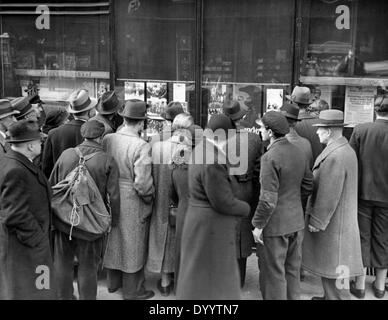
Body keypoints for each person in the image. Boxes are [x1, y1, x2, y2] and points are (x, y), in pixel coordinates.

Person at [176, 114, 250, 300]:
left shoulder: (201, 150)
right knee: (213, 278)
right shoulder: (213, 160)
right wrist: (245, 208)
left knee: (198, 272)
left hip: (199, 219)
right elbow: (222, 201)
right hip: (211, 226)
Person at [49, 120, 120, 300]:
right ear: (100, 137)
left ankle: (63, 297)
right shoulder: (107, 160)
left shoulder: (66, 155)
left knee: (62, 264)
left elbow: (53, 185)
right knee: (88, 266)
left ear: (83, 135)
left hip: (63, 220)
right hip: (91, 224)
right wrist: (114, 221)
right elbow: (113, 196)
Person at [302, 110, 363, 300]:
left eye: (320, 129)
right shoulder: (345, 150)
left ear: (329, 131)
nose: (317, 132)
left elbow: (328, 194)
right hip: (340, 225)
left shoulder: (336, 156)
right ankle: (329, 297)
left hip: (334, 226)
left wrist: (317, 221)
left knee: (337, 270)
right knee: (333, 267)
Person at [252, 111, 313, 300]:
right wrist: (292, 200)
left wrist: (258, 225)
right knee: (292, 271)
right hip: (296, 220)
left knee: (274, 274)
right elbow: (308, 185)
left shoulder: (269, 158)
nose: (260, 130)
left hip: (275, 225)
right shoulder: (298, 151)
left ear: (270, 132)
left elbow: (268, 200)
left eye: (262, 127)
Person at [102, 100, 155, 300]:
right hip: (132, 197)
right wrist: (149, 198)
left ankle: (113, 283)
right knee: (133, 241)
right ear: (141, 123)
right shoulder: (141, 145)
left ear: (124, 119)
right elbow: (142, 183)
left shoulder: (109, 139)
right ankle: (134, 290)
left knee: (113, 238)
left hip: (111, 193)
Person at [0, 120, 56, 300]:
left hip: (26, 243)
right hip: (27, 246)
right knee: (38, 289)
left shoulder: (11, 161)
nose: (41, 144)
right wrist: (38, 240)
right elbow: (15, 214)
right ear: (31, 146)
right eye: (39, 142)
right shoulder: (16, 170)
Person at [147, 112, 194, 296]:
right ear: (188, 129)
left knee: (163, 238)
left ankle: (165, 282)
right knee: (179, 239)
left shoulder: (157, 147)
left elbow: (149, 174)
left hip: (160, 198)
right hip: (182, 202)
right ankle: (179, 280)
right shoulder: (190, 150)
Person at [349, 94, 388, 299]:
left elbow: (351, 161)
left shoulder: (360, 130)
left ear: (375, 110)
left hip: (362, 194)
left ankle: (360, 285)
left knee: (362, 238)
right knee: (383, 239)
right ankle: (380, 287)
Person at [223, 100, 263, 287]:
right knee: (243, 233)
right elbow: (258, 171)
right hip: (246, 191)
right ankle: (239, 279)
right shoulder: (254, 139)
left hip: (223, 189)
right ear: (243, 117)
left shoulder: (219, 139)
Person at [170, 124, 203, 291]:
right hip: (203, 214)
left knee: (181, 252)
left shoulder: (177, 165)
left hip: (183, 211)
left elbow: (172, 194)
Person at [42, 89, 98, 178]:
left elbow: (46, 168)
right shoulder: (94, 134)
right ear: (90, 111)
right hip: (86, 187)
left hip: (60, 186)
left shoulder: (53, 133)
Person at [287, 86, 324, 162]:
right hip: (318, 167)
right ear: (308, 104)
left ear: (292, 102)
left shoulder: (291, 124)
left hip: (300, 167)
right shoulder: (320, 122)